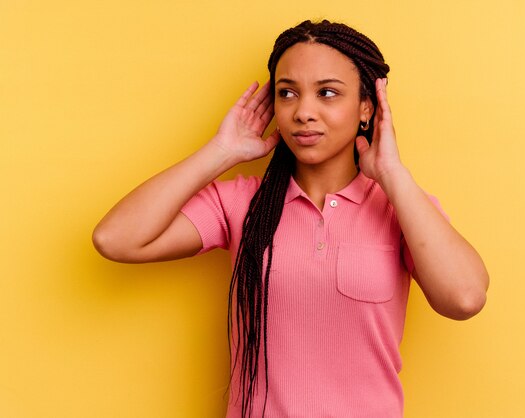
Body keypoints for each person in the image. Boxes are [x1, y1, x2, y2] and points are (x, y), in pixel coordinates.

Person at [93, 20, 489, 418]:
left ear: (366, 107)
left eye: (327, 93)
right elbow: (116, 239)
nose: (303, 112)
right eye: (288, 94)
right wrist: (222, 151)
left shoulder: (401, 207)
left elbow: (464, 298)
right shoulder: (244, 203)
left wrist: (392, 174)